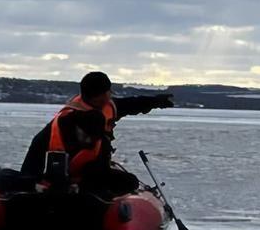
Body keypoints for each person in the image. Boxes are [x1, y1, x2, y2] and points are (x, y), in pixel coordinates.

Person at [20, 72, 174, 194]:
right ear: (102, 94)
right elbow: (32, 163)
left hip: (92, 174)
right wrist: (32, 183)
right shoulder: (63, 124)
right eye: (109, 92)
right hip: (65, 178)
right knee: (122, 181)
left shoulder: (108, 106)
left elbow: (131, 103)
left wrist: (156, 101)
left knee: (128, 181)